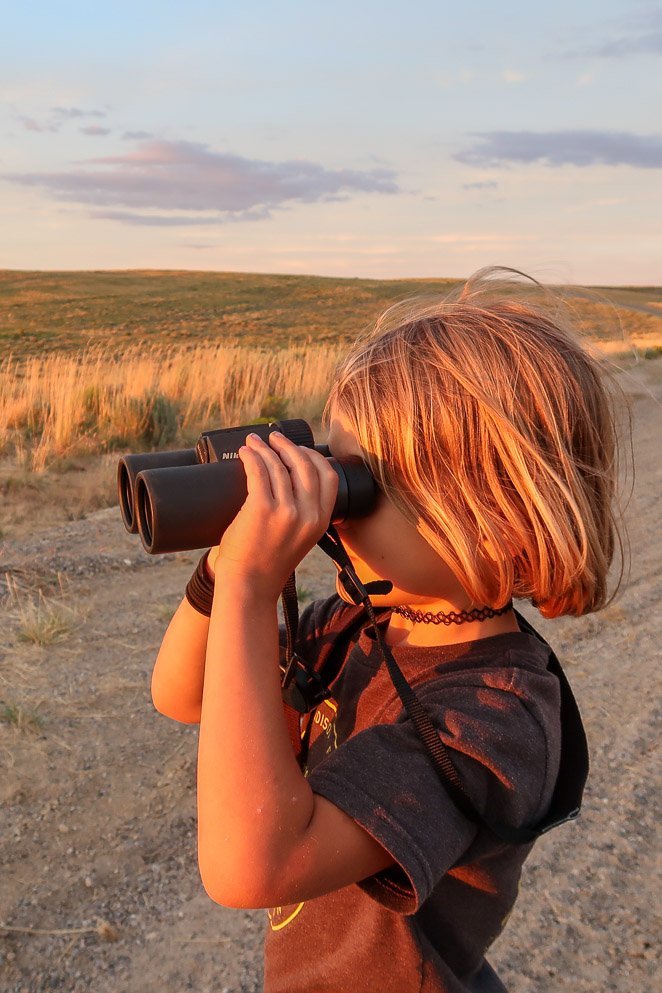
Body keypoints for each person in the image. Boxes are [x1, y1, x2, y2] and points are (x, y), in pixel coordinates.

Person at [150, 267, 626, 992]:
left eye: (358, 482)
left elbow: (251, 866)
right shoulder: (358, 622)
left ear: (491, 518)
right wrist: (225, 567)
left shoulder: (496, 714)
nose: (333, 507)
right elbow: (184, 695)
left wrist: (252, 587)